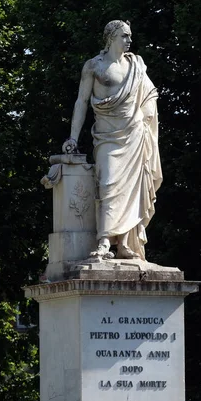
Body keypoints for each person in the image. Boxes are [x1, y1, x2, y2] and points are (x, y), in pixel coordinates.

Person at [62, 20, 162, 260]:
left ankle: (126, 244)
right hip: (107, 135)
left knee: (132, 189)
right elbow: (81, 102)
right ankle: (105, 240)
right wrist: (73, 138)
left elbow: (150, 94)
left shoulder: (136, 65)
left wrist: (144, 113)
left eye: (129, 36)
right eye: (124, 36)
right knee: (107, 183)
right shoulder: (94, 66)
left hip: (134, 134)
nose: (129, 41)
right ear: (111, 37)